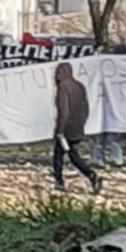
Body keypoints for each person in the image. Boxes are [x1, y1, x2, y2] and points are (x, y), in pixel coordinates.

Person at [52, 62, 102, 193]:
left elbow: (64, 111)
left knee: (60, 155)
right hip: (78, 126)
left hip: (66, 128)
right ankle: (90, 175)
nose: (56, 76)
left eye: (58, 73)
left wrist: (60, 131)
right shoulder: (80, 86)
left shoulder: (63, 87)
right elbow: (86, 108)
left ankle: (60, 181)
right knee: (72, 154)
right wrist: (82, 123)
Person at [93, 45, 126, 168]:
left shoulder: (108, 66)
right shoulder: (123, 68)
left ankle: (100, 159)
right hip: (112, 107)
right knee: (111, 136)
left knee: (102, 135)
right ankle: (115, 159)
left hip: (105, 106)